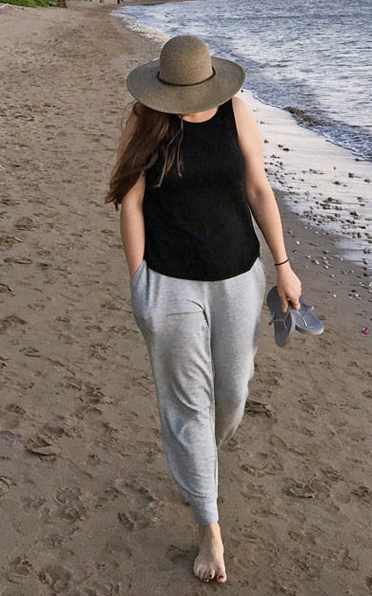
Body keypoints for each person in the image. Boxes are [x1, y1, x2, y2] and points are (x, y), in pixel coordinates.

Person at [107, 34, 302, 584]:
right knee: (189, 407)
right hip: (169, 285)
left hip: (240, 278)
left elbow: (259, 189)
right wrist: (139, 280)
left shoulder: (236, 112)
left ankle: (196, 464)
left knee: (233, 395)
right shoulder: (145, 121)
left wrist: (283, 265)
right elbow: (131, 202)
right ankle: (209, 529)